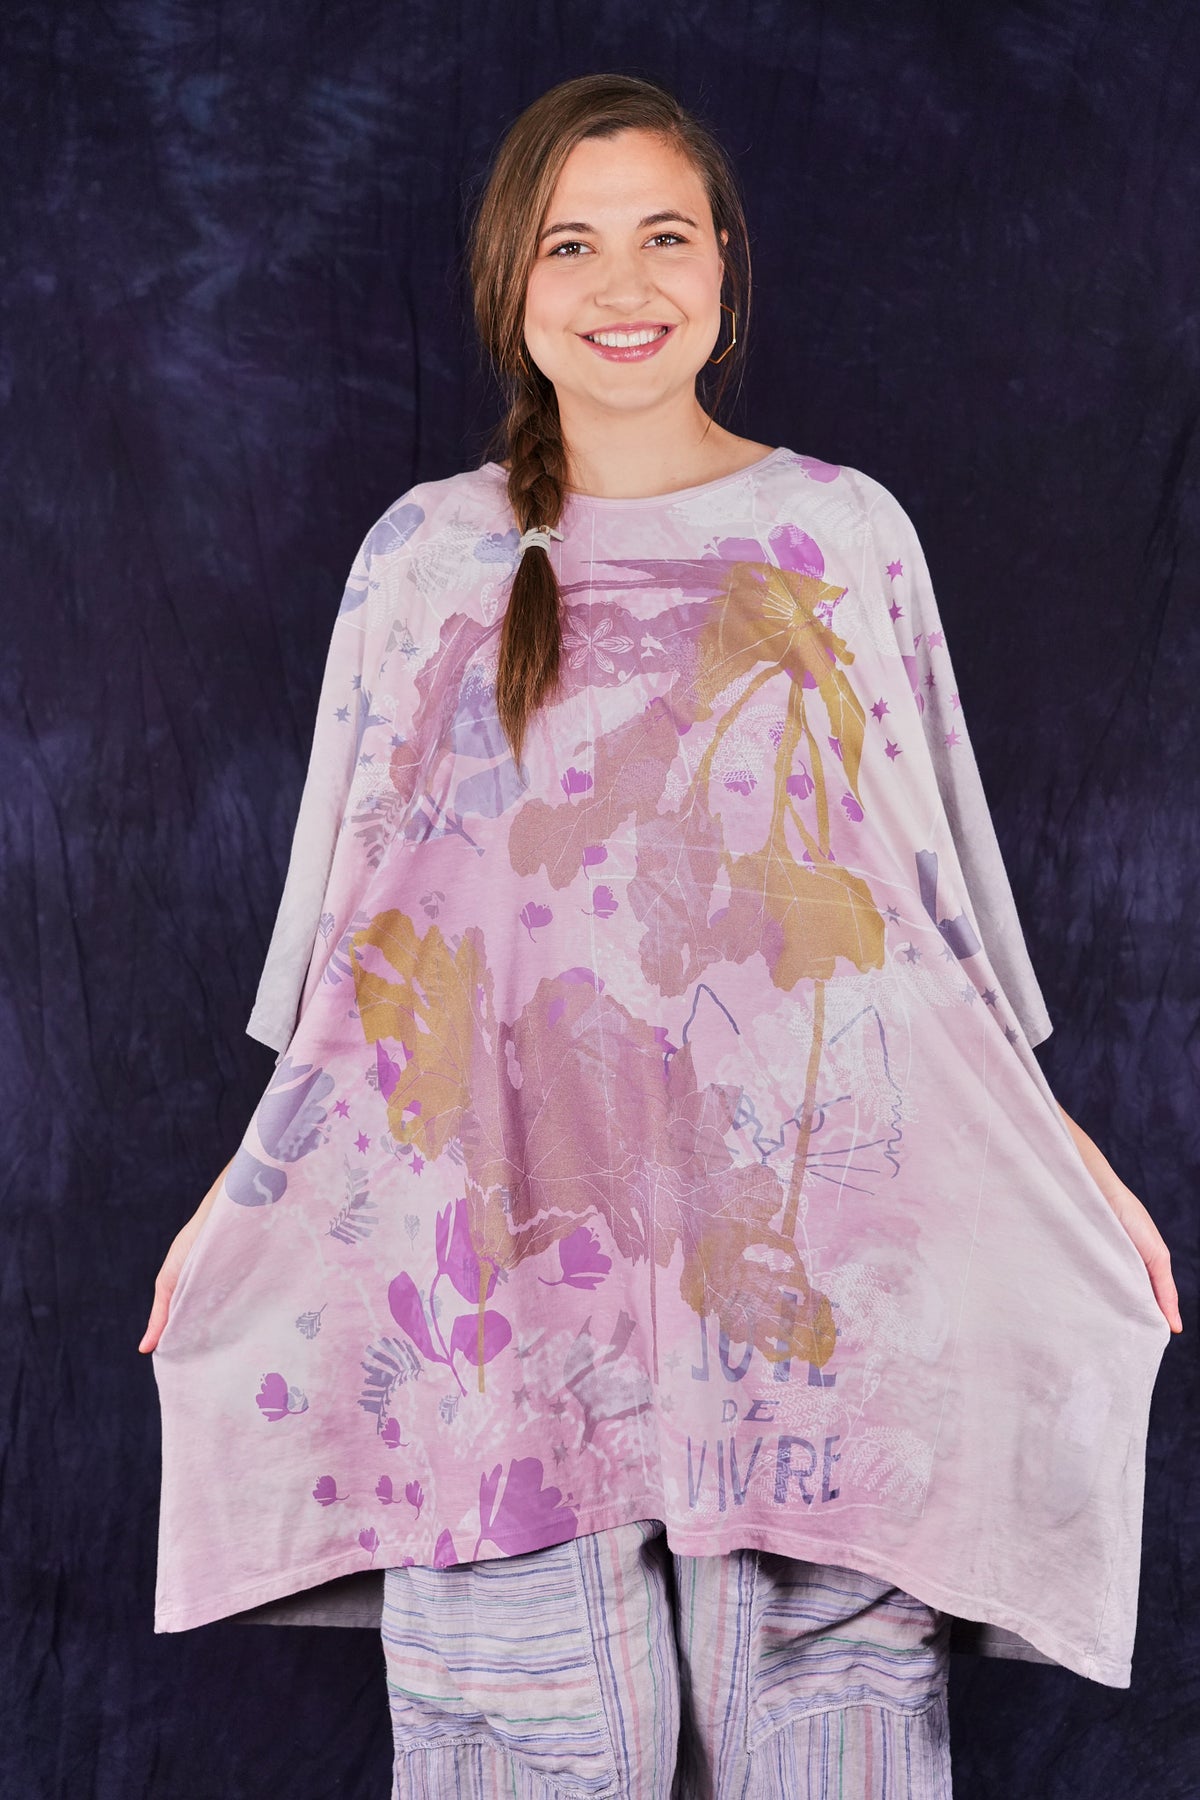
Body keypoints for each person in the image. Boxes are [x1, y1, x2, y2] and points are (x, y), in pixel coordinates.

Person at [141, 74, 1181, 1800]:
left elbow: (921, 927)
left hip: (804, 1273)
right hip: (502, 1283)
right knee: (526, 1742)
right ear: (510, 281)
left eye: (663, 237)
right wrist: (242, 1201)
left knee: (833, 1738)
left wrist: (1060, 1159)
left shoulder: (841, 535)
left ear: (724, 269)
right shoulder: (422, 562)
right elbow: (359, 963)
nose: (622, 284)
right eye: (572, 245)